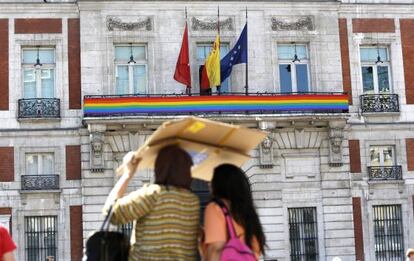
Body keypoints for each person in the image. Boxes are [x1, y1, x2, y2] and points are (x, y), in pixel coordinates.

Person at [103, 145, 200, 261]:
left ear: (160, 168)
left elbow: (111, 213)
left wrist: (127, 174)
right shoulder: (193, 201)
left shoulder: (153, 194)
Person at [201, 164, 266, 261]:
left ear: (220, 183)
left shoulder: (216, 208)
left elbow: (215, 250)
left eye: (213, 180)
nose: (209, 184)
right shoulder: (249, 215)